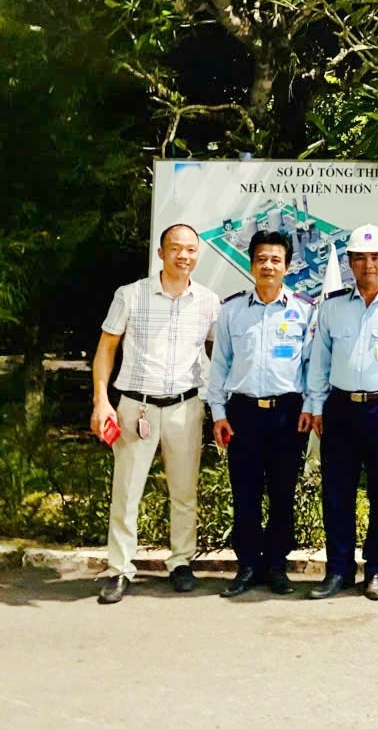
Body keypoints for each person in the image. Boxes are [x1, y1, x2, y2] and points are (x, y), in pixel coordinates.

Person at [90, 223, 220, 605]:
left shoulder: (208, 301)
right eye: (175, 248)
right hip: (137, 407)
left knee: (184, 491)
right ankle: (119, 568)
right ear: (161, 253)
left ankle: (180, 562)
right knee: (126, 491)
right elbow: (106, 349)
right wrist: (102, 401)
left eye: (190, 249)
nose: (183, 255)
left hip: (185, 406)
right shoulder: (130, 295)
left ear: (198, 254)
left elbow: (217, 352)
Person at [304, 223, 378, 601]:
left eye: (375, 257)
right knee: (336, 492)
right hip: (340, 408)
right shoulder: (332, 306)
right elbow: (319, 361)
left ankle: (376, 570)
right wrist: (315, 405)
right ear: (349, 262)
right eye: (360, 258)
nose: (368, 264)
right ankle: (338, 570)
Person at [207, 230, 314, 598]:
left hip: (288, 413)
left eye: (276, 260)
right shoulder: (232, 310)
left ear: (288, 266)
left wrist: (311, 407)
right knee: (245, 492)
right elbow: (219, 365)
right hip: (243, 414)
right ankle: (248, 565)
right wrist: (218, 413)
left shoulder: (304, 310)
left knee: (283, 492)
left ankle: (278, 566)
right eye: (262, 259)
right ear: (251, 264)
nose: (268, 266)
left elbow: (312, 366)